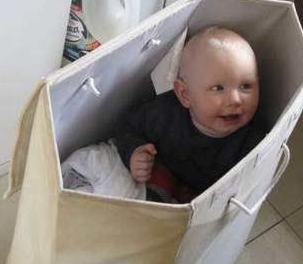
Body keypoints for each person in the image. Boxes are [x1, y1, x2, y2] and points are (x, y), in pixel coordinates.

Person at [113, 26, 265, 203]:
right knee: (153, 185)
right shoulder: (164, 114)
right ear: (185, 95)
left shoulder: (253, 143)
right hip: (166, 172)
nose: (235, 100)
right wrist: (134, 152)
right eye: (218, 88)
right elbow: (127, 128)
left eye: (246, 86)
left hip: (206, 197)